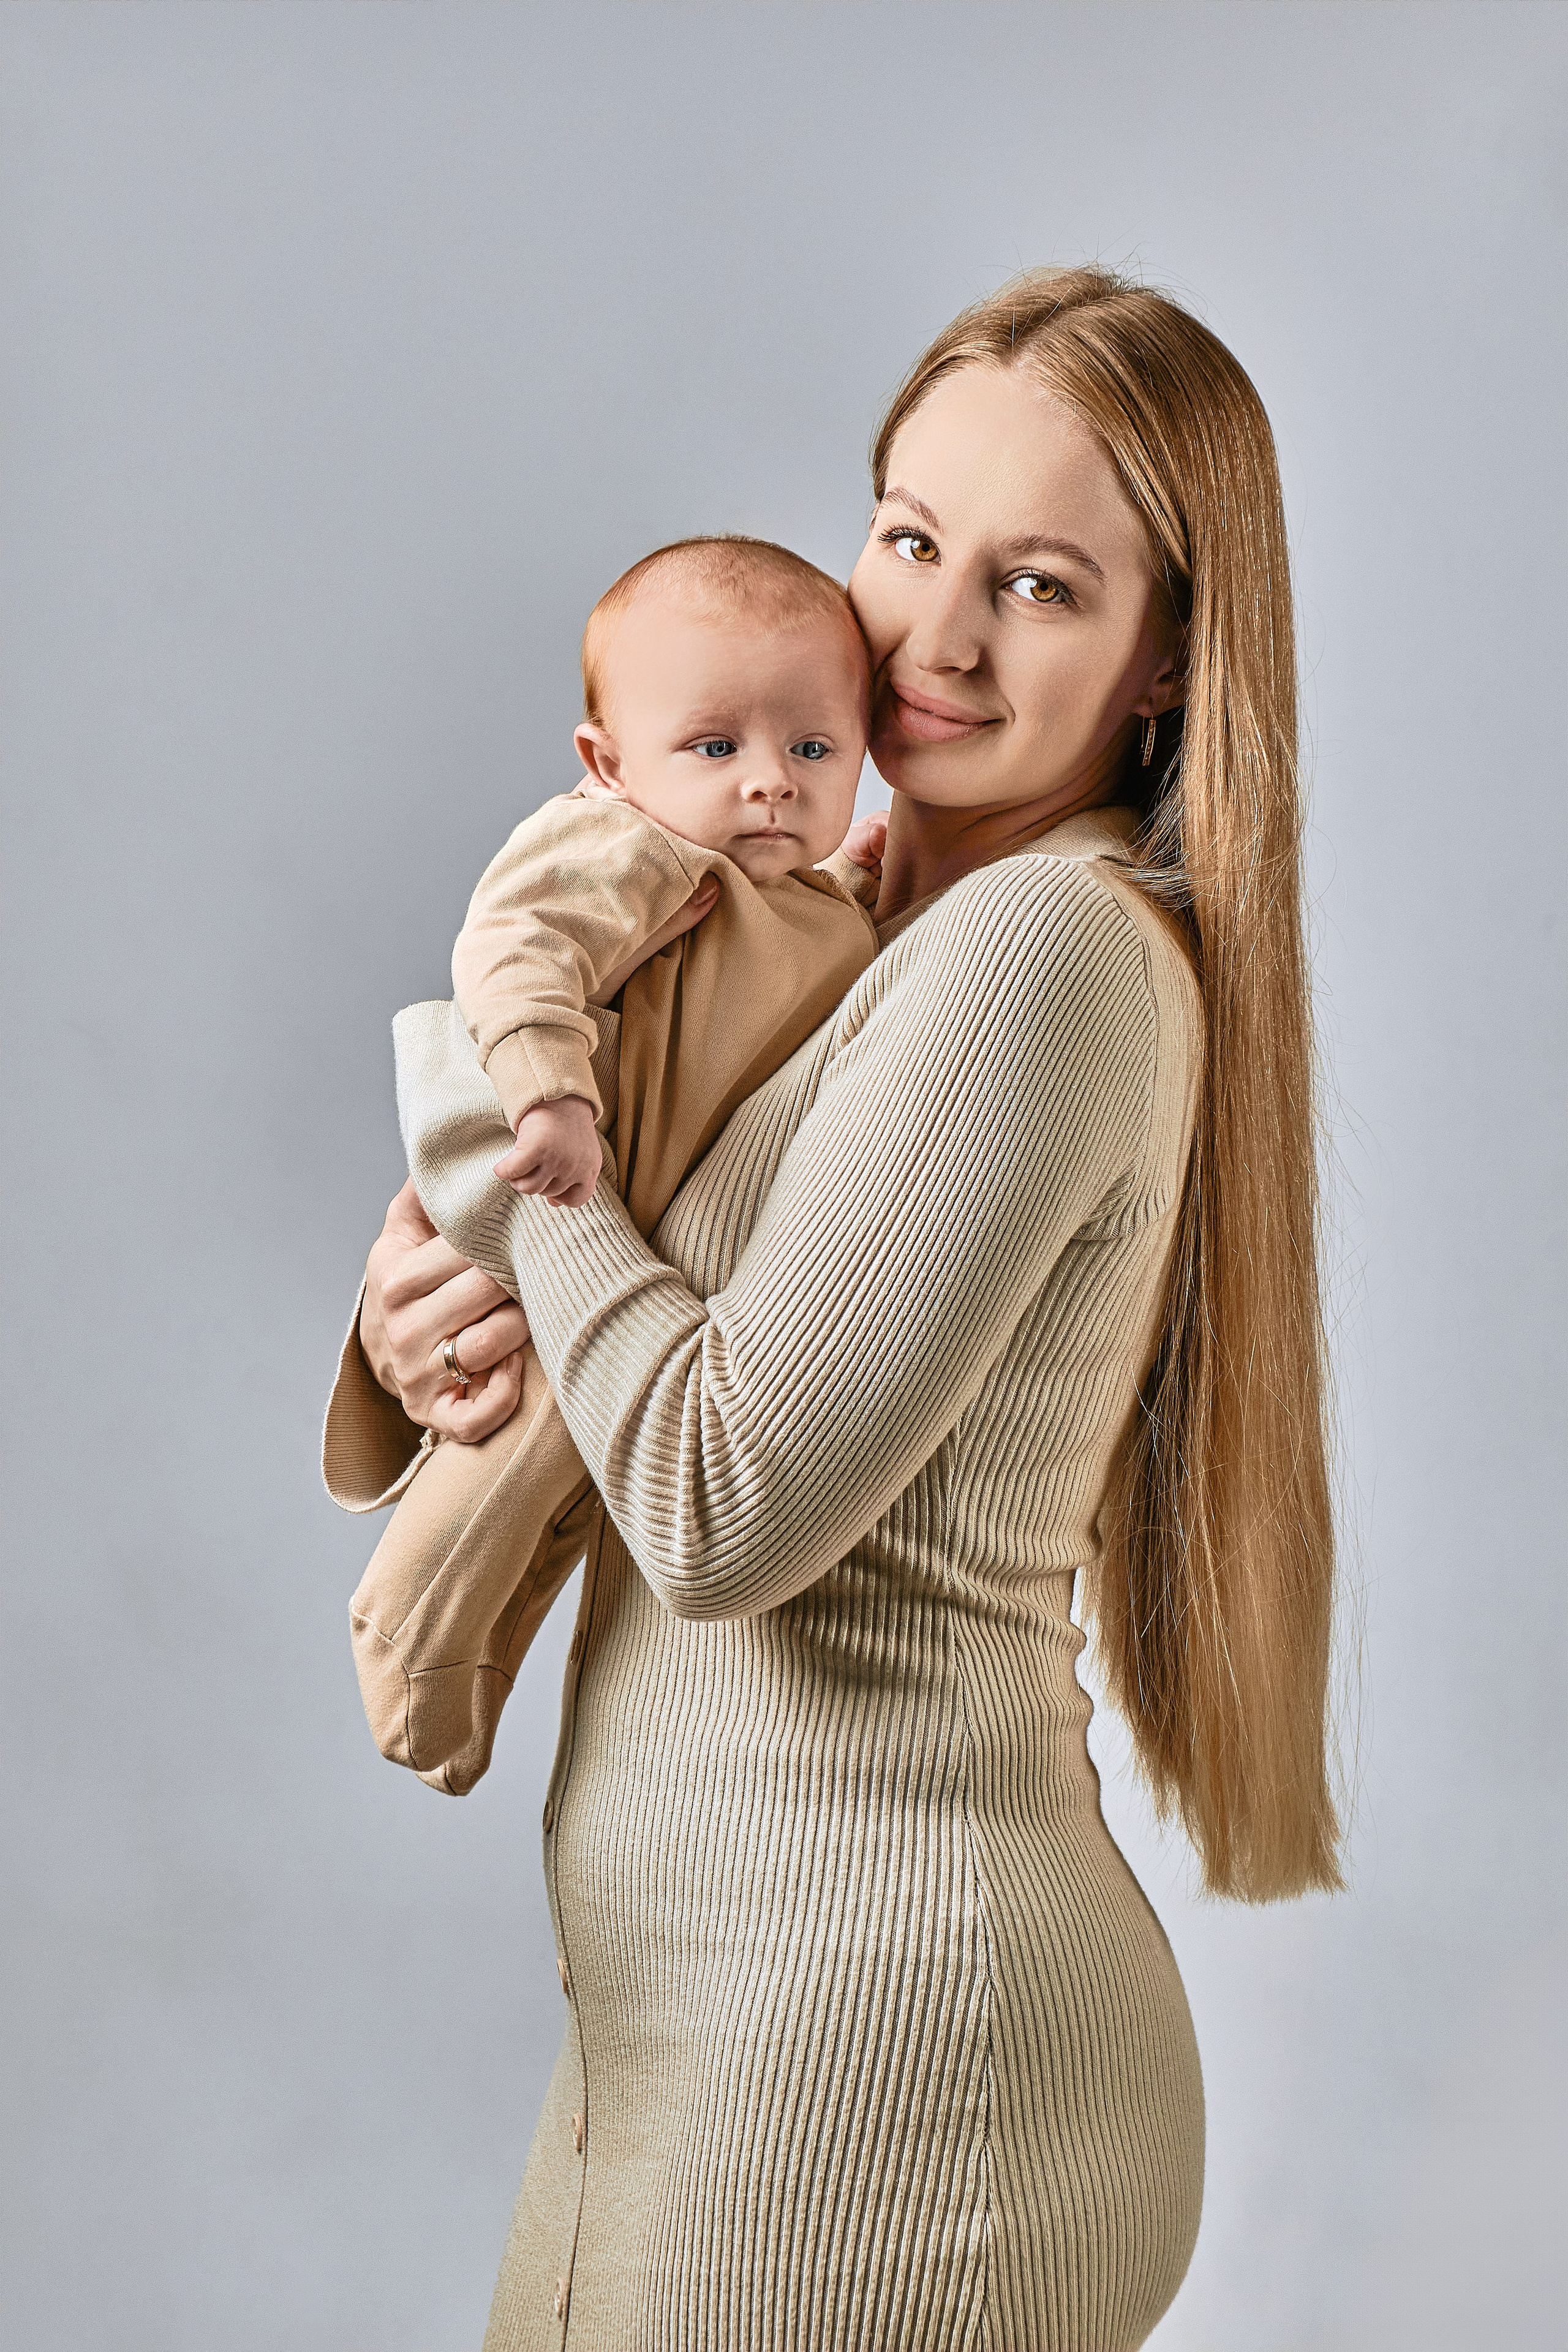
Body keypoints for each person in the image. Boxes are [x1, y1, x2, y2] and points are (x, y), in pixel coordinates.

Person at [323, 263, 1340, 2351]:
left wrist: (537, 1212)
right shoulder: (841, 925)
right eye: (908, 537)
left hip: (888, 2073)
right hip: (711, 2045)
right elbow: (652, 1324)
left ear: (1164, 666)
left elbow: (718, 1494)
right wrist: (422, 1310)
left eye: (1043, 585)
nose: (937, 636)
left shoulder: (1042, 958)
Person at [345, 537, 884, 1795]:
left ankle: (466, 1684)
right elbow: (517, 943)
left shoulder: (815, 895)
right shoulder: (636, 851)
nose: (768, 786)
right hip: (581, 1211)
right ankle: (408, 1636)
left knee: (573, 1501)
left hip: (650, 1278)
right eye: (716, 747)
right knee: (504, 1471)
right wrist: (546, 1093)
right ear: (609, 763)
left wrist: (858, 874)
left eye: (811, 750)